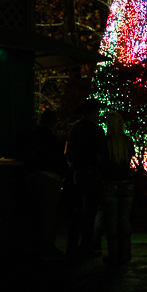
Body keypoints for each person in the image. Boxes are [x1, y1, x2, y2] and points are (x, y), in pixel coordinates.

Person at [20, 109, 68, 258]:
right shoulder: (54, 141)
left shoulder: (31, 137)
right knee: (48, 217)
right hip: (50, 179)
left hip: (32, 178)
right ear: (54, 123)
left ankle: (32, 249)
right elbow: (61, 162)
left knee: (33, 215)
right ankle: (47, 250)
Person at [65, 98, 106, 260]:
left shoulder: (75, 129)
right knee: (90, 212)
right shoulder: (97, 131)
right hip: (92, 175)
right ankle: (86, 247)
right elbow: (100, 154)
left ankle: (72, 247)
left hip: (77, 174)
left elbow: (69, 152)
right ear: (92, 112)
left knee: (77, 212)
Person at [101, 112, 136, 267]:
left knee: (112, 221)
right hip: (127, 184)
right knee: (125, 219)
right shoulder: (127, 142)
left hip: (110, 184)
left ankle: (113, 254)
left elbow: (100, 162)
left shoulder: (105, 142)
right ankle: (125, 252)